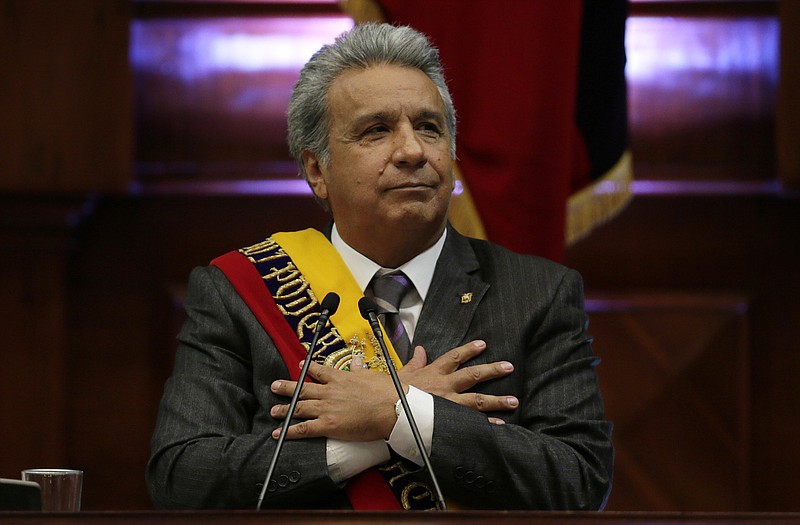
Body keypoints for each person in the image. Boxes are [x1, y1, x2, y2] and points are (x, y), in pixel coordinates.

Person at [146, 22, 613, 511]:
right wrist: (391, 422)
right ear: (317, 171)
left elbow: (579, 480)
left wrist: (396, 412)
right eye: (377, 131)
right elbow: (182, 479)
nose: (412, 151)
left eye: (430, 128)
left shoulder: (538, 292)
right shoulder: (238, 290)